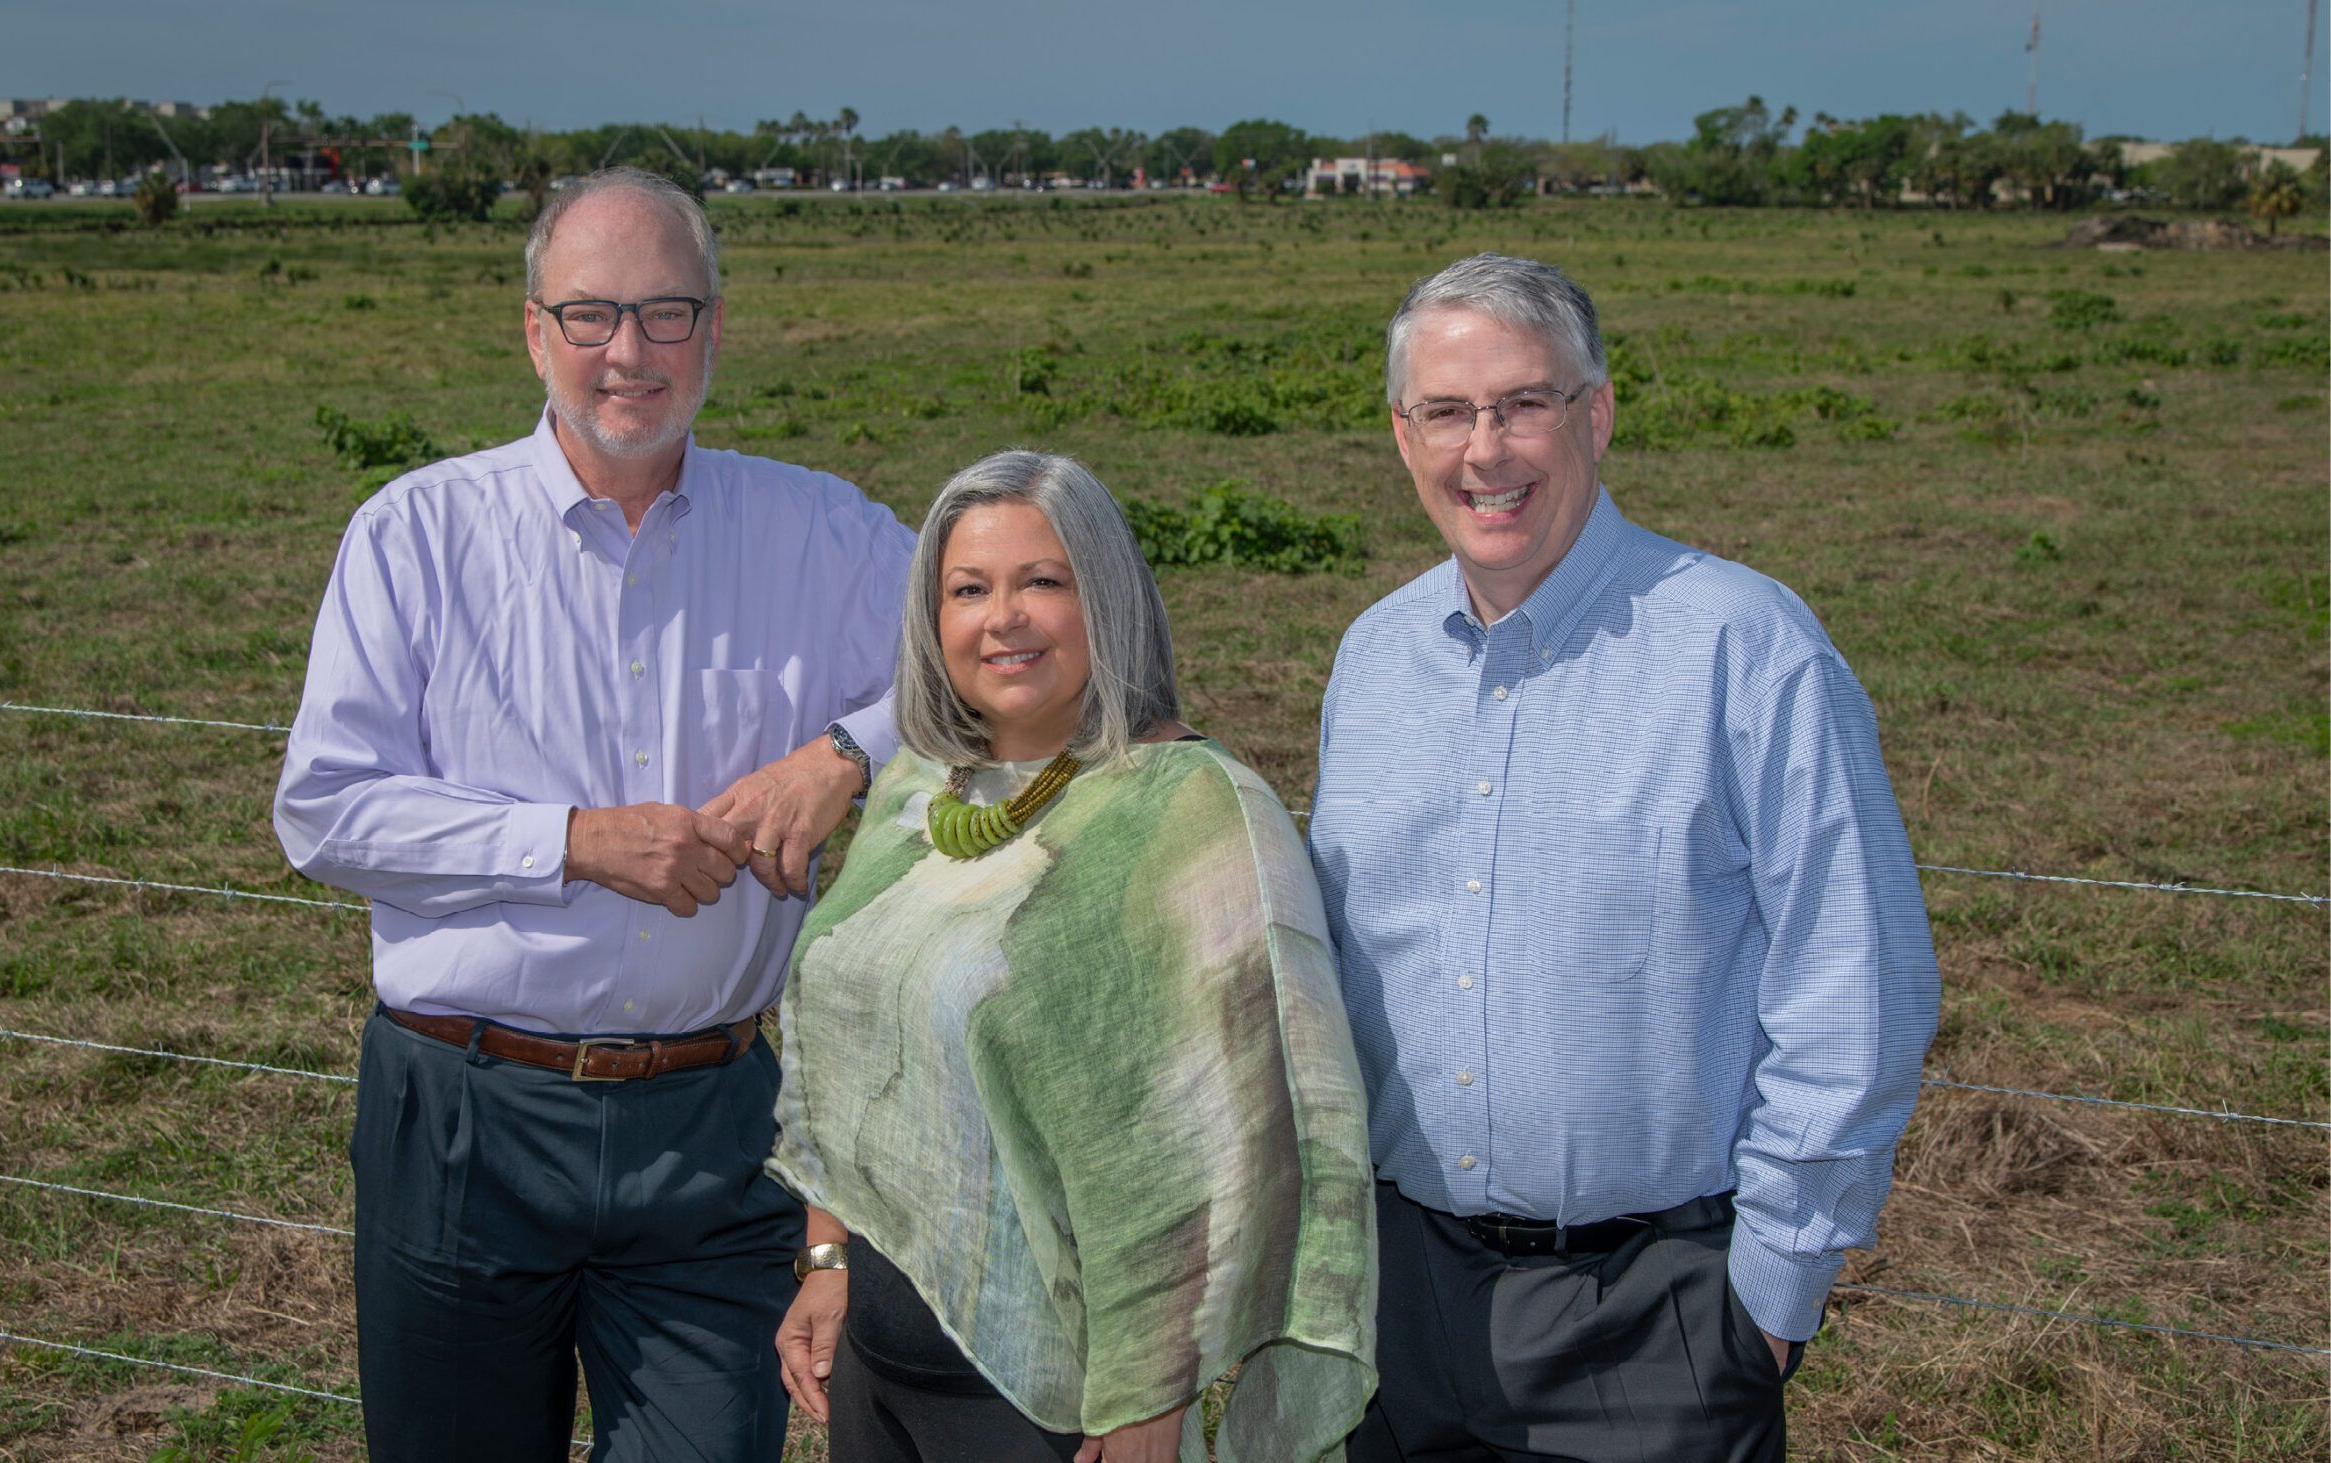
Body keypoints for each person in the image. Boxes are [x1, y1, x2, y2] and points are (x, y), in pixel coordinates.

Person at [272, 166, 913, 1462]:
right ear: (533, 331)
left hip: (713, 1122)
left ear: (716, 328)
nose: (629, 352)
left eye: (667, 312)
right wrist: (573, 840)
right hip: (463, 1110)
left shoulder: (819, 532)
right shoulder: (416, 534)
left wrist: (843, 755)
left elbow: (985, 654)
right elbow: (327, 810)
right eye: (591, 314)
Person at [1307, 253, 1941, 1462]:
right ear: (1402, 436)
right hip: (1403, 1303)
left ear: (1595, 413)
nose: (1483, 449)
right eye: (1446, 411)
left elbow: (1857, 982)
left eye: (1522, 403)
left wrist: (1765, 1295)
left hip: (1659, 1313)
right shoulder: (1372, 660)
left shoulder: (1745, 647)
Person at [767, 451, 1379, 1463]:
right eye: (969, 588)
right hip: (878, 1373)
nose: (1001, 616)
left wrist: (1149, 1397)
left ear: (1107, 598)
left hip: (1055, 1406)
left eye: (1041, 581)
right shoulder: (923, 789)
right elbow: (848, 1037)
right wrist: (829, 1253)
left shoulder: (1191, 807)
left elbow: (1251, 1134)